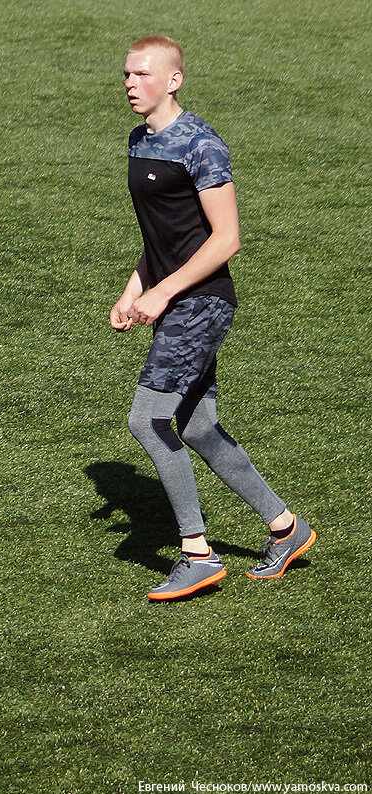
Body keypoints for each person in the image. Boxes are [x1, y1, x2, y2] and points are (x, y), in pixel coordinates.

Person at [112, 37, 314, 600]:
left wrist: (165, 292)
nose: (131, 83)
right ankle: (285, 527)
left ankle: (196, 553)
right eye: (126, 74)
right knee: (197, 427)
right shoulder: (140, 141)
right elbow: (163, 235)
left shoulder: (202, 146)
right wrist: (134, 290)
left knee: (148, 421)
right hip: (171, 295)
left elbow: (227, 238)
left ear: (173, 80)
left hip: (202, 301)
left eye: (143, 74)